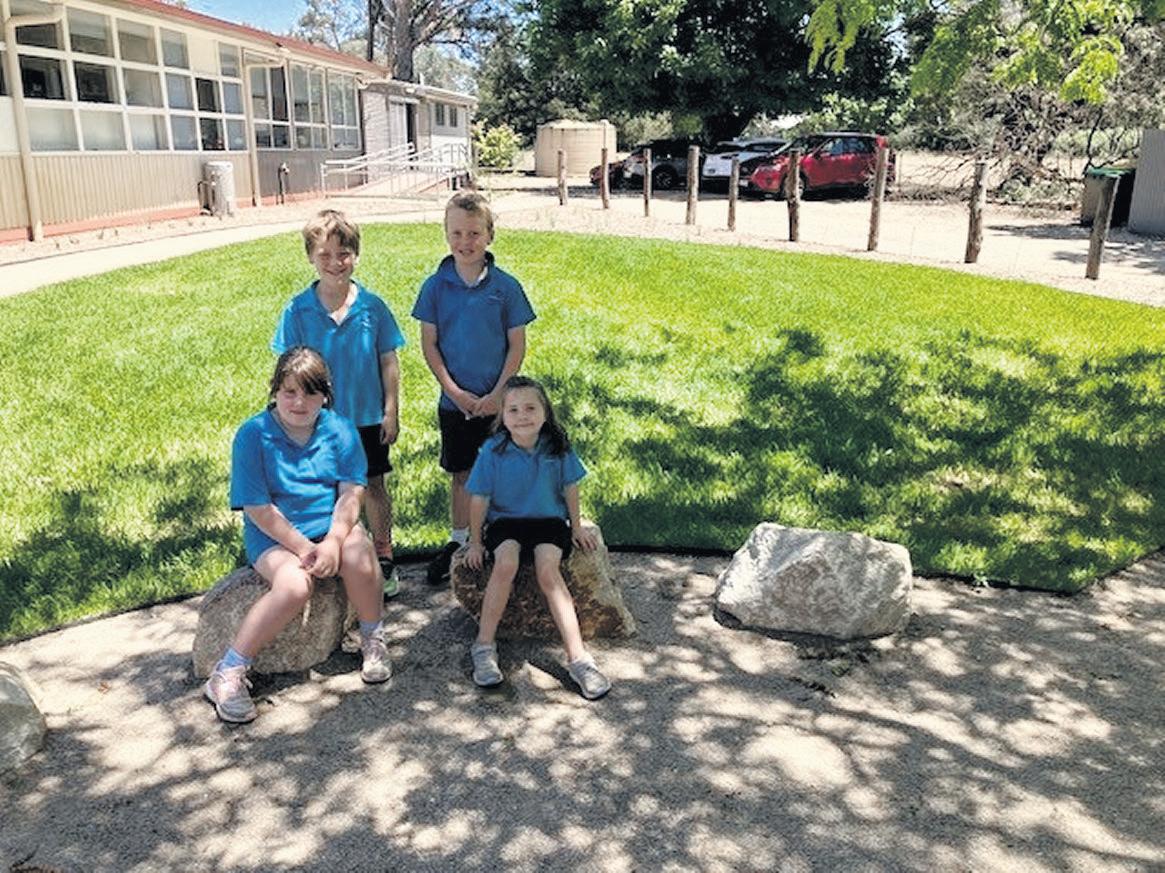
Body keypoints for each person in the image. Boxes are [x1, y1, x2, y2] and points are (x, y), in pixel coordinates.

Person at [205, 347, 391, 724]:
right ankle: (229, 670)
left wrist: (334, 540)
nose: (299, 402)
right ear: (275, 390)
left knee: (359, 555)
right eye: (289, 392)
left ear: (326, 395)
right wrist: (305, 548)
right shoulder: (253, 435)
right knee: (293, 586)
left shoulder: (340, 430)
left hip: (330, 524)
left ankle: (373, 636)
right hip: (273, 535)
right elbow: (258, 508)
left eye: (310, 393)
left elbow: (351, 492)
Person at [273, 209, 405, 597]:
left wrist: (391, 410)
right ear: (310, 257)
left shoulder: (372, 307)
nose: (335, 262)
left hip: (366, 417)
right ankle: (335, 551)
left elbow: (388, 360)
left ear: (356, 255)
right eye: (325, 255)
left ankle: (383, 553)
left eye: (344, 253)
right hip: (318, 421)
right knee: (330, 488)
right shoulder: (298, 310)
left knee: (373, 484)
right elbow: (287, 367)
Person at [412, 191, 535, 586]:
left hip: (500, 404)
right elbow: (429, 345)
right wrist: (454, 392)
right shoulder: (435, 287)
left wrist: (499, 394)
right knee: (462, 473)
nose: (465, 242)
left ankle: (502, 535)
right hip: (456, 403)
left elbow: (516, 345)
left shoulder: (506, 287)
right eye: (457, 233)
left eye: (474, 233)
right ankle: (461, 539)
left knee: (501, 468)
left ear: (489, 235)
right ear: (446, 234)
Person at [463, 376, 612, 700]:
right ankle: (484, 646)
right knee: (505, 564)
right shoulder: (492, 451)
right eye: (513, 410)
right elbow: (479, 498)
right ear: (502, 416)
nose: (523, 416)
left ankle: (579, 659)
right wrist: (475, 542)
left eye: (531, 408)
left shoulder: (558, 447)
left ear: (546, 412)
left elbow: (570, 488)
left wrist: (576, 527)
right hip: (506, 523)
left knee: (548, 572)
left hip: (548, 522)